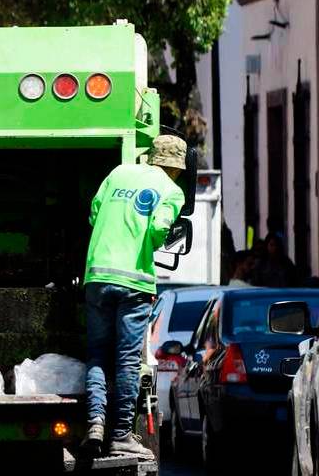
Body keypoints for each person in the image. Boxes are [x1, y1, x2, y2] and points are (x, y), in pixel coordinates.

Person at [81, 135, 186, 460]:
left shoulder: (119, 173)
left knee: (98, 354)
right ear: (176, 167)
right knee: (125, 360)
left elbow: (95, 213)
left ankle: (95, 421)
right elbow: (158, 227)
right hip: (134, 282)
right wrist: (152, 243)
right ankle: (121, 435)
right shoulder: (172, 190)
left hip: (97, 275)